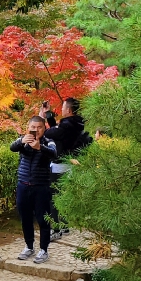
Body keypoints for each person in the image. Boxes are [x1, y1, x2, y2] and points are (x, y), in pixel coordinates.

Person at [10, 116, 57, 263]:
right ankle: (29, 246)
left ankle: (44, 250)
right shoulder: (23, 140)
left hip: (41, 187)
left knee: (43, 219)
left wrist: (40, 148)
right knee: (25, 218)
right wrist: (22, 141)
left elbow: (54, 154)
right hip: (23, 185)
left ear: (44, 128)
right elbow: (12, 147)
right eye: (33, 127)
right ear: (28, 127)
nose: (36, 130)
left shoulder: (48, 142)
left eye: (39, 127)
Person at [44, 97, 91, 241]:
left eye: (64, 108)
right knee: (64, 196)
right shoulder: (79, 124)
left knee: (54, 198)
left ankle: (56, 229)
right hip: (72, 165)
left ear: (69, 110)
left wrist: (49, 119)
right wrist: (50, 118)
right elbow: (58, 134)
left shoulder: (66, 125)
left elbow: (50, 133)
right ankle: (65, 225)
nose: (62, 110)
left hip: (60, 165)